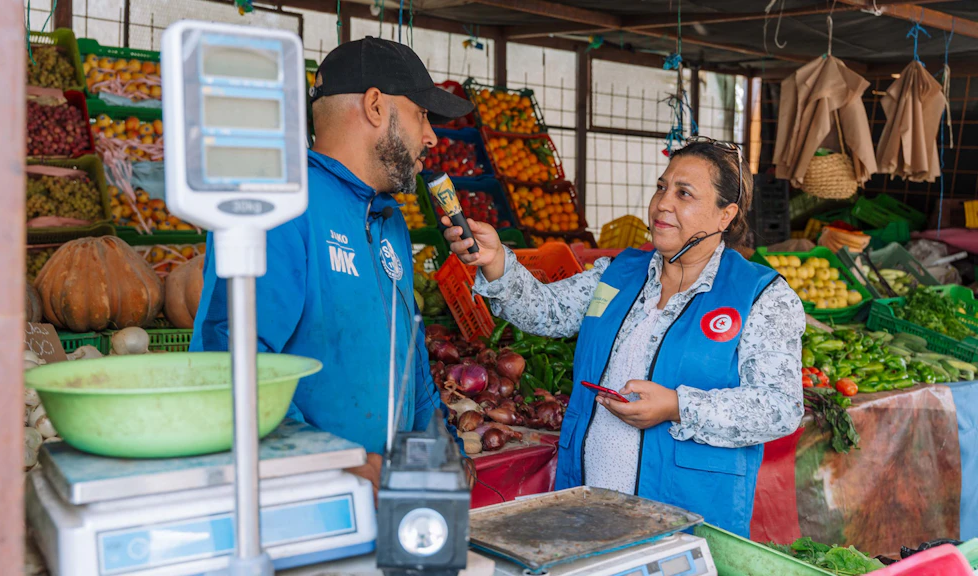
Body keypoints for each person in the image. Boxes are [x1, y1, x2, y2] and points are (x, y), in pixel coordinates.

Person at [442, 138, 805, 536]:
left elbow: (780, 407)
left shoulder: (761, 296)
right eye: (661, 187)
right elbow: (548, 312)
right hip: (592, 498)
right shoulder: (617, 272)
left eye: (684, 193)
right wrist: (496, 262)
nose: (663, 203)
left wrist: (678, 406)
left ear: (725, 215)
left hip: (687, 510)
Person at [190, 37, 476, 496]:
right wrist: (328, 463)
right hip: (301, 500)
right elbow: (230, 358)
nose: (432, 137)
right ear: (377, 106)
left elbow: (412, 367)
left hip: (391, 503)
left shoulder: (391, 221)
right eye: (423, 115)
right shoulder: (279, 205)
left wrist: (443, 448)